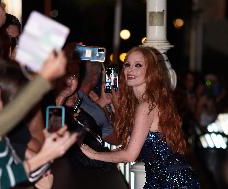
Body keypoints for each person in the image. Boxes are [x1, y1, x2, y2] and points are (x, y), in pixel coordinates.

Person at [81, 46, 200, 188]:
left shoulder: (146, 106)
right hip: (162, 179)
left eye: (138, 65)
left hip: (171, 182)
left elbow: (130, 155)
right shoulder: (145, 103)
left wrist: (95, 155)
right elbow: (128, 145)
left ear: (150, 71)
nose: (130, 70)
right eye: (127, 65)